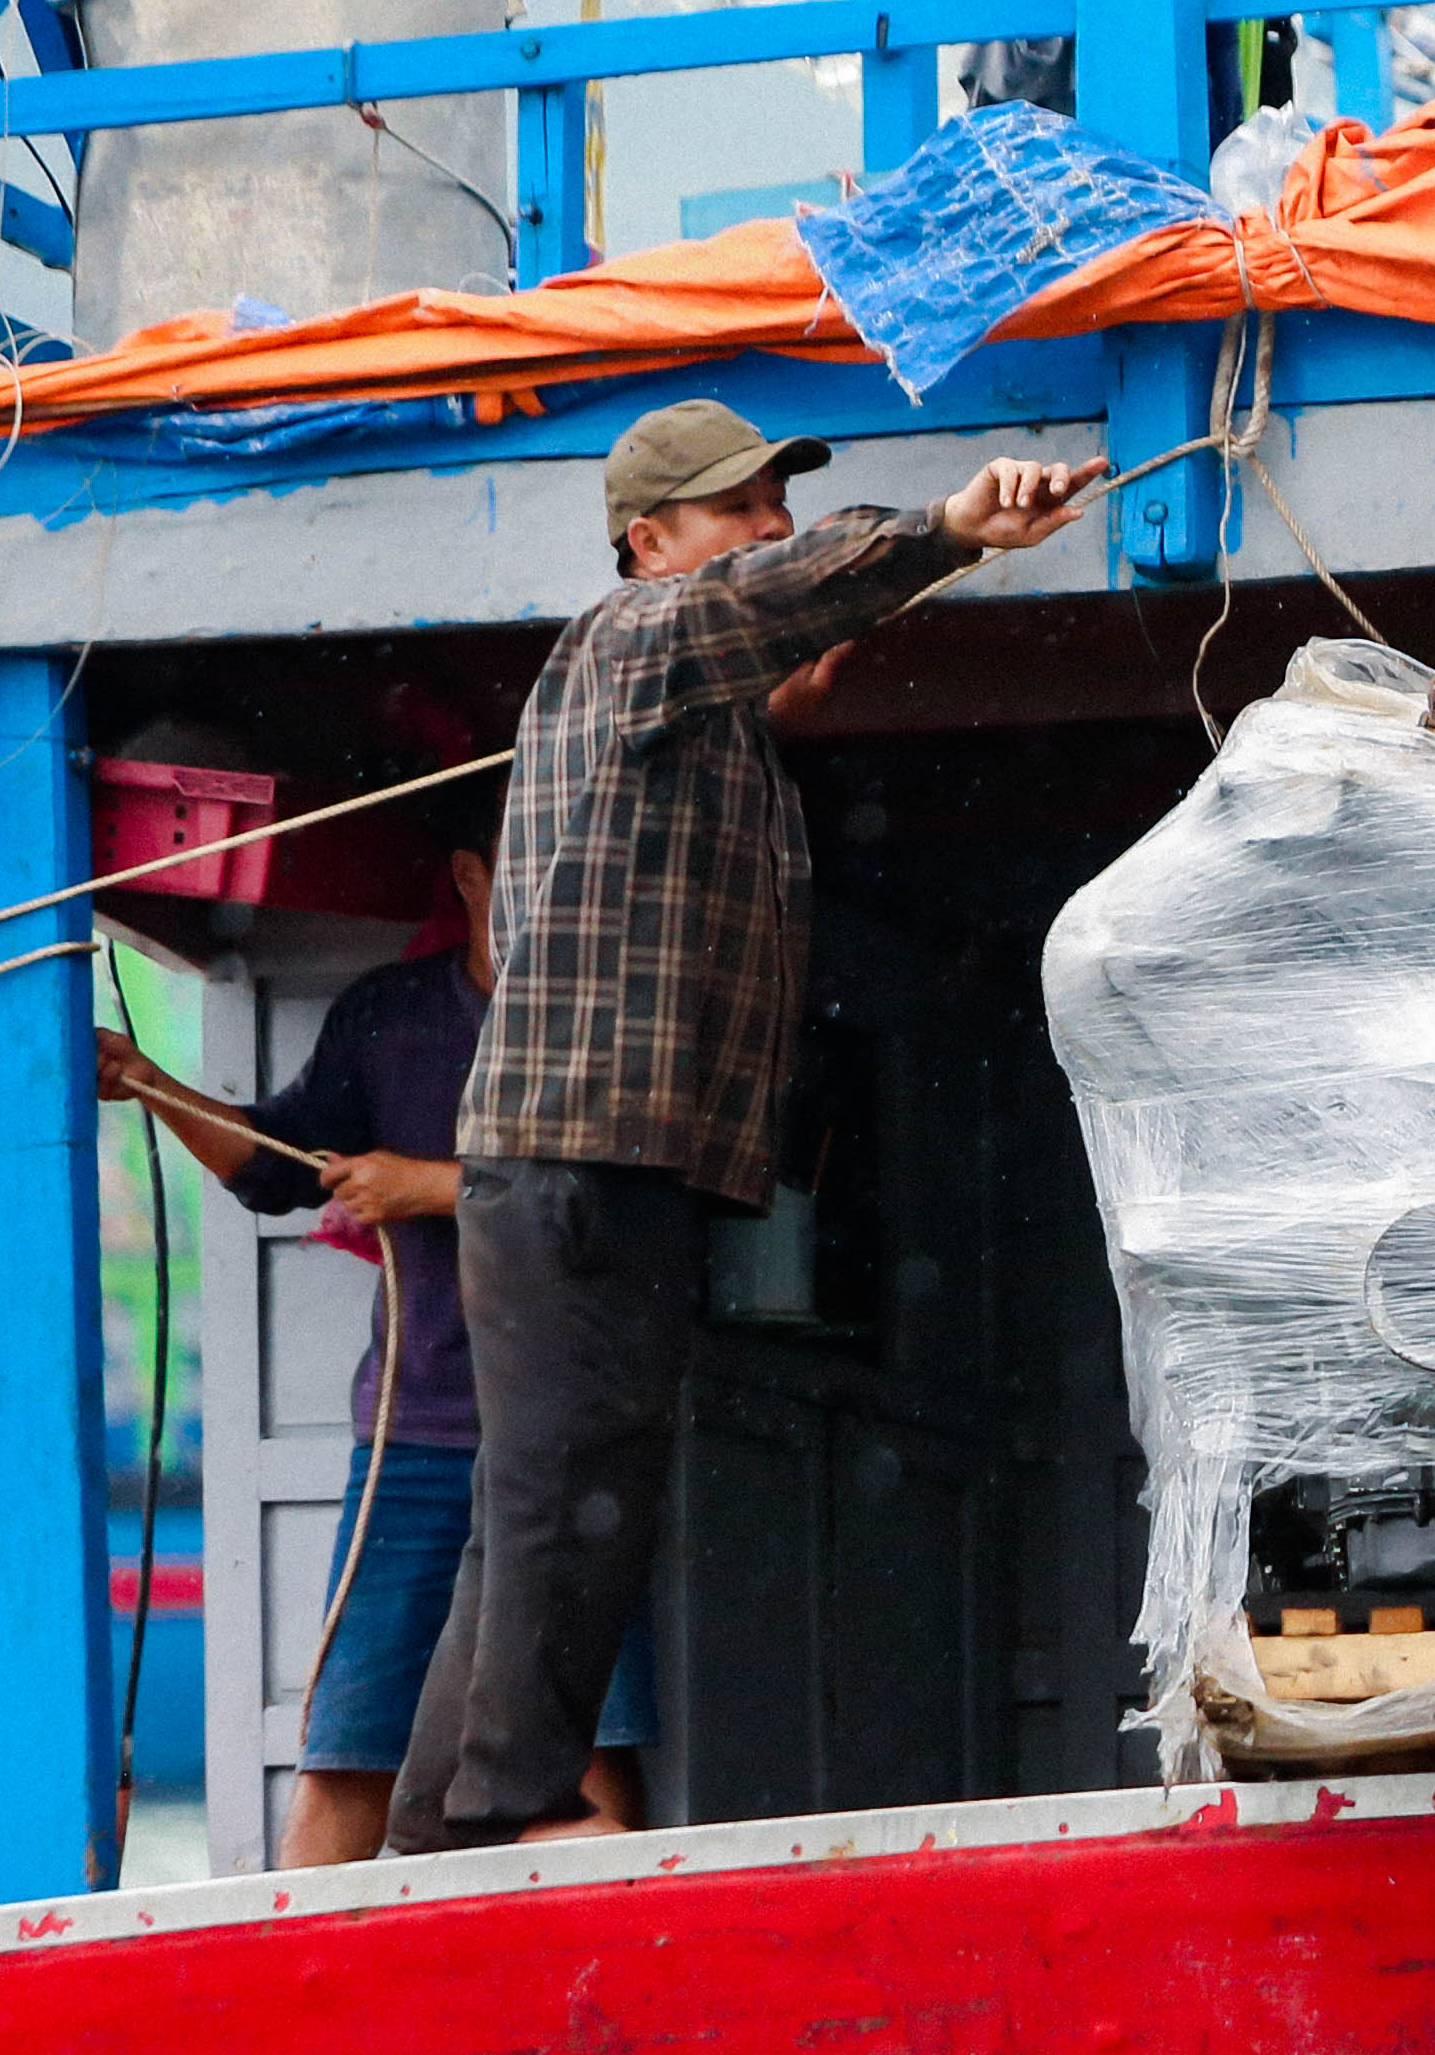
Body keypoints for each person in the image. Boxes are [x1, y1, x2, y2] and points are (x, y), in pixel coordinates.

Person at [384, 400, 1103, 1852]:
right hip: (576, 1159)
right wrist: (954, 533)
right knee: (560, 1503)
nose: (769, 527)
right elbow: (773, 596)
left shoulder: (718, 742)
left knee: (565, 1497)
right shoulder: (627, 640)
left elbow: (775, 614)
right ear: (649, 545)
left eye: (778, 499)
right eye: (739, 510)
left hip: (619, 1168)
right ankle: (495, 1818)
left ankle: (436, 1835)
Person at [94, 792, 656, 1864]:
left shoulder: (611, 1026)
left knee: (590, 1747)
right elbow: (270, 1168)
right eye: (519, 870)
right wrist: (149, 1081)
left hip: (569, 1442)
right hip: (416, 1439)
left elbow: (611, 1200)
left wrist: (434, 1184)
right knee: (350, 1745)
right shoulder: (389, 1016)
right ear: (467, 876)